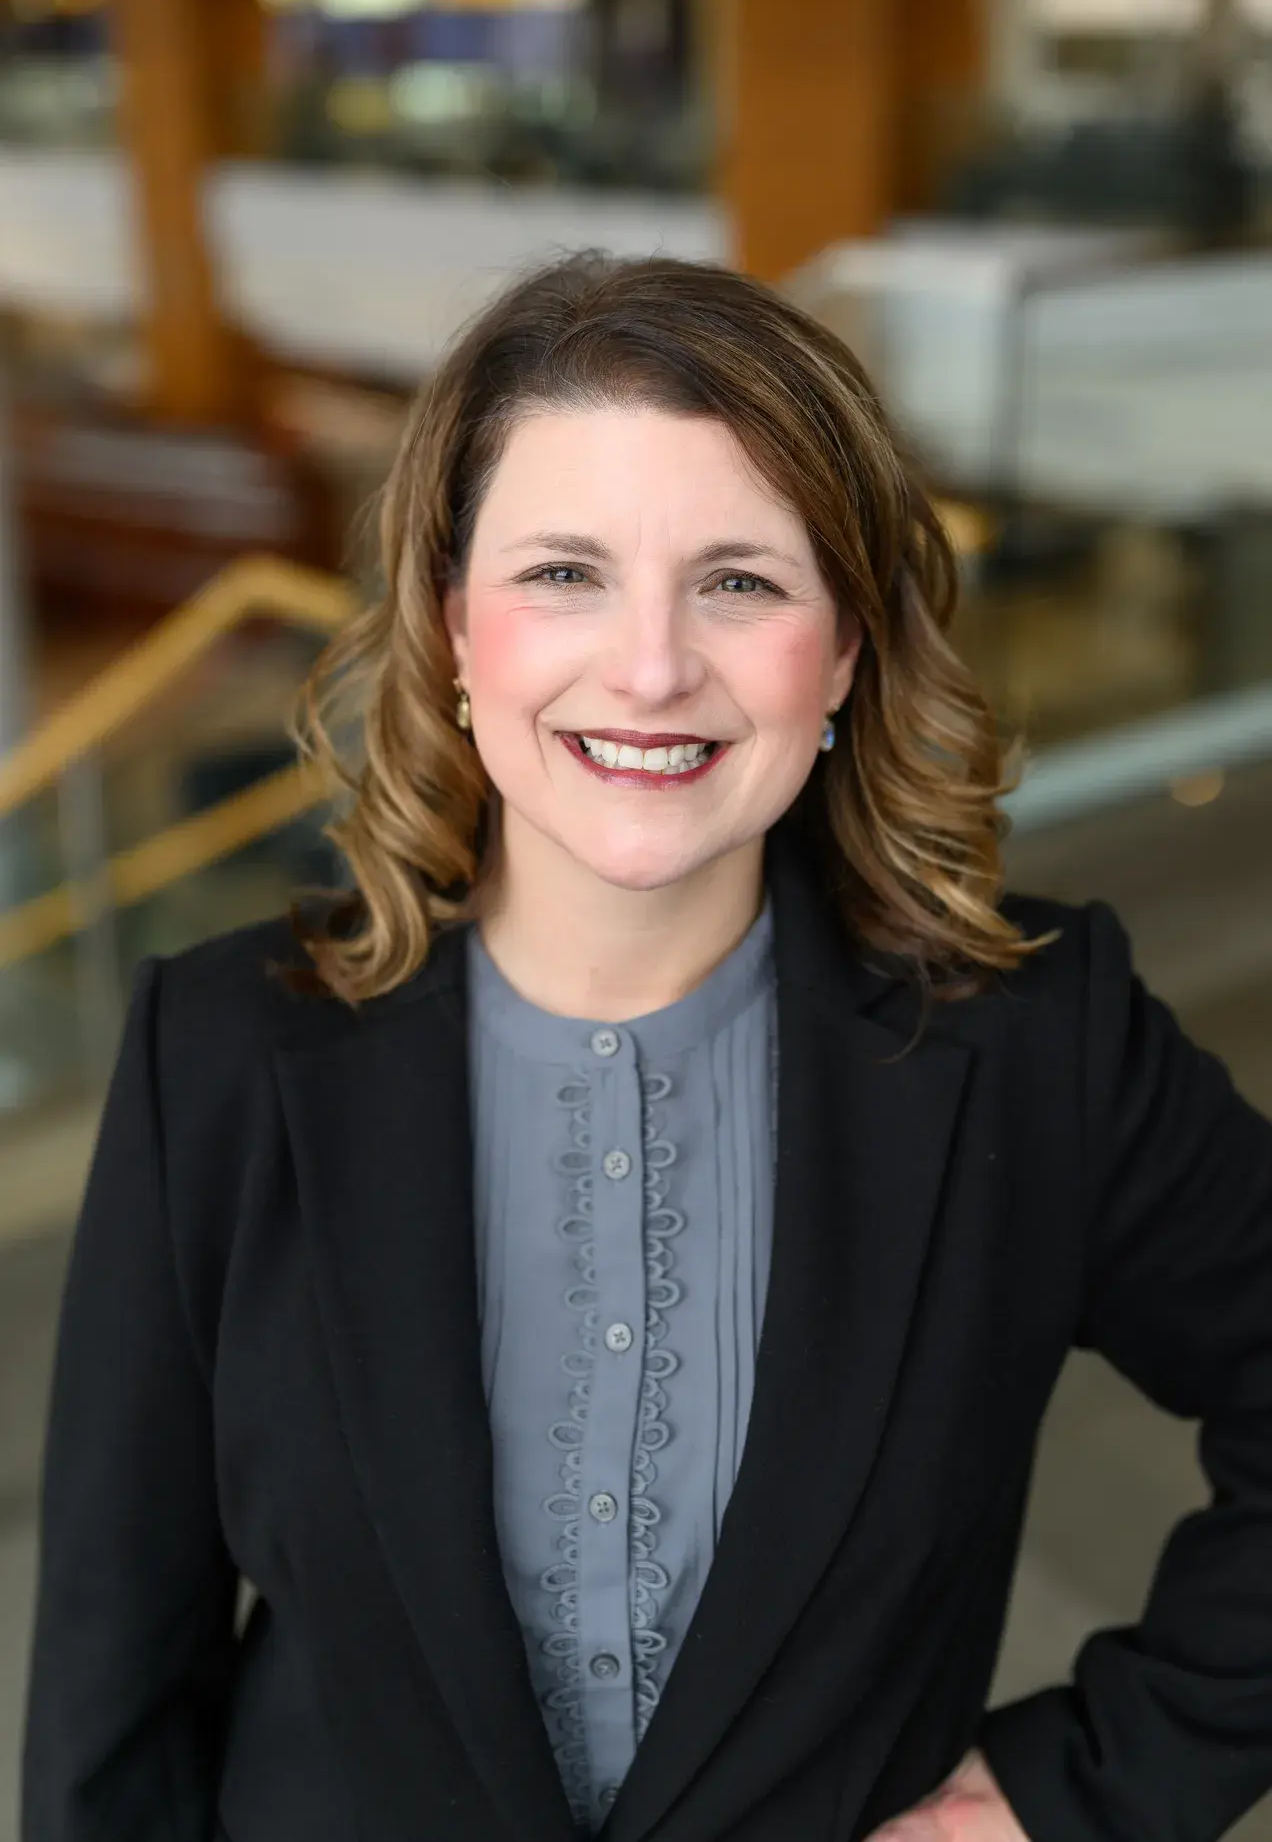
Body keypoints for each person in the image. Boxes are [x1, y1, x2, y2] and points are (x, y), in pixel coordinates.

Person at [21, 252, 1272, 1842]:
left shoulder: (1041, 1038)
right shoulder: (214, 1061)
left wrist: (1070, 1799)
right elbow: (108, 1708)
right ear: (454, 626)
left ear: (846, 653)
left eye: (741, 580)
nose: (651, 664)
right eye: (564, 572)